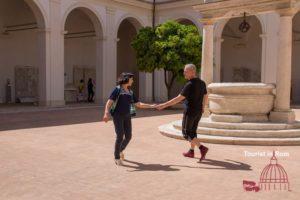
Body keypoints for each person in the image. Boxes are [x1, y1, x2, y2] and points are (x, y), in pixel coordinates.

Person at [156, 64, 209, 162]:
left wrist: (164, 105)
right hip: (198, 111)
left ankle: (202, 148)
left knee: (186, 133)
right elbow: (206, 95)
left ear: (193, 71)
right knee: (193, 132)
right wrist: (203, 107)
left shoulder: (189, 84)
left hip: (190, 112)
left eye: (186, 71)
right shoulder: (202, 83)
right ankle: (191, 151)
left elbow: (178, 99)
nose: (184, 73)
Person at [102, 72, 156, 166]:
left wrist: (151, 106)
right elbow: (110, 102)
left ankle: (120, 150)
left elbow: (138, 104)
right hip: (117, 115)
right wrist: (106, 112)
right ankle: (117, 157)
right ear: (126, 79)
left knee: (128, 136)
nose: (132, 81)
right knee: (120, 135)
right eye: (131, 79)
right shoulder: (117, 89)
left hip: (127, 116)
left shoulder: (130, 92)